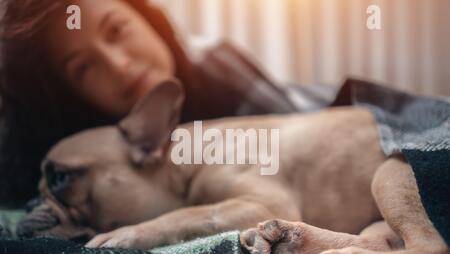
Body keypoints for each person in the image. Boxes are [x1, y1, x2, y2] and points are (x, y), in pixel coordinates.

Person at [0, 0, 298, 207]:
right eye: (84, 68)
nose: (120, 66)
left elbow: (309, 150)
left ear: (147, 15)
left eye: (116, 30)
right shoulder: (76, 158)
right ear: (72, 96)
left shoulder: (217, 64)